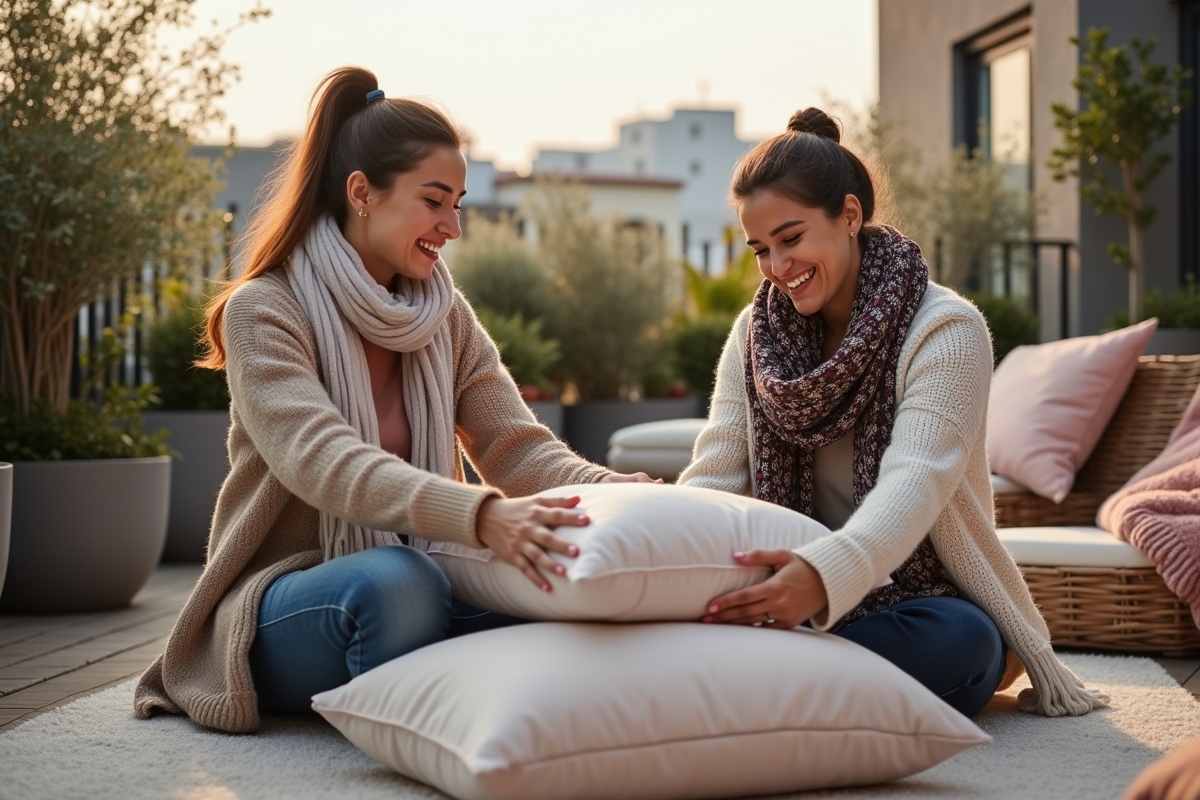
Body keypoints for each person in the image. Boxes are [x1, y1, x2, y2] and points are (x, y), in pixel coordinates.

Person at [133, 66, 652, 734]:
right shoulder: (265, 310)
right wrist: (482, 515)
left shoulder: (445, 314)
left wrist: (620, 494)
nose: (453, 226)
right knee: (396, 583)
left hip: (425, 569)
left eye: (458, 203)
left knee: (555, 586)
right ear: (362, 193)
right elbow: (324, 461)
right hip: (286, 601)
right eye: (435, 201)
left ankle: (467, 693)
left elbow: (514, 446)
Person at [679, 107, 1108, 718]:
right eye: (760, 250)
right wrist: (667, 552)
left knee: (964, 645)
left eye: (792, 238)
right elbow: (714, 479)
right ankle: (778, 688)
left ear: (850, 215)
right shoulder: (754, 335)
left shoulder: (947, 330)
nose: (778, 268)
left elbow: (915, 483)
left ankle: (738, 684)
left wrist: (821, 577)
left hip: (917, 594)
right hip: (781, 592)